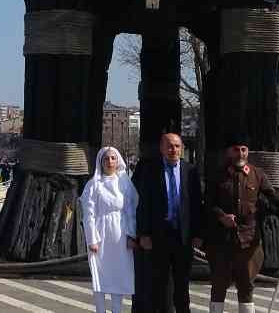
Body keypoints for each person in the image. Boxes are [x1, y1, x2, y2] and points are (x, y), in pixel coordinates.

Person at [204, 137, 279, 313]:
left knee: (246, 287)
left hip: (249, 241)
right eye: (236, 149)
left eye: (243, 149)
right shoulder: (217, 175)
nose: (240, 153)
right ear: (229, 152)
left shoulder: (257, 174)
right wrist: (221, 216)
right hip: (221, 242)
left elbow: (274, 197)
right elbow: (207, 204)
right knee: (219, 286)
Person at [134, 132, 202, 313]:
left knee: (182, 283)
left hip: (183, 237)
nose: (174, 150)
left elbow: (196, 205)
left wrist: (197, 234)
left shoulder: (191, 171)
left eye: (177, 146)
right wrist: (143, 234)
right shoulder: (150, 171)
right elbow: (143, 205)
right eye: (169, 146)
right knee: (160, 284)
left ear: (182, 148)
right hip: (158, 236)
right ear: (162, 148)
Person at [82, 146, 137, 313]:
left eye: (113, 158)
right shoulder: (93, 184)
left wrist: (131, 235)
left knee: (118, 276)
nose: (110, 162)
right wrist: (92, 239)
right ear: (101, 162)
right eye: (106, 159)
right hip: (100, 234)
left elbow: (131, 210)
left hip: (120, 234)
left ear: (118, 160)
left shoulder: (125, 182)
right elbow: (88, 213)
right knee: (99, 275)